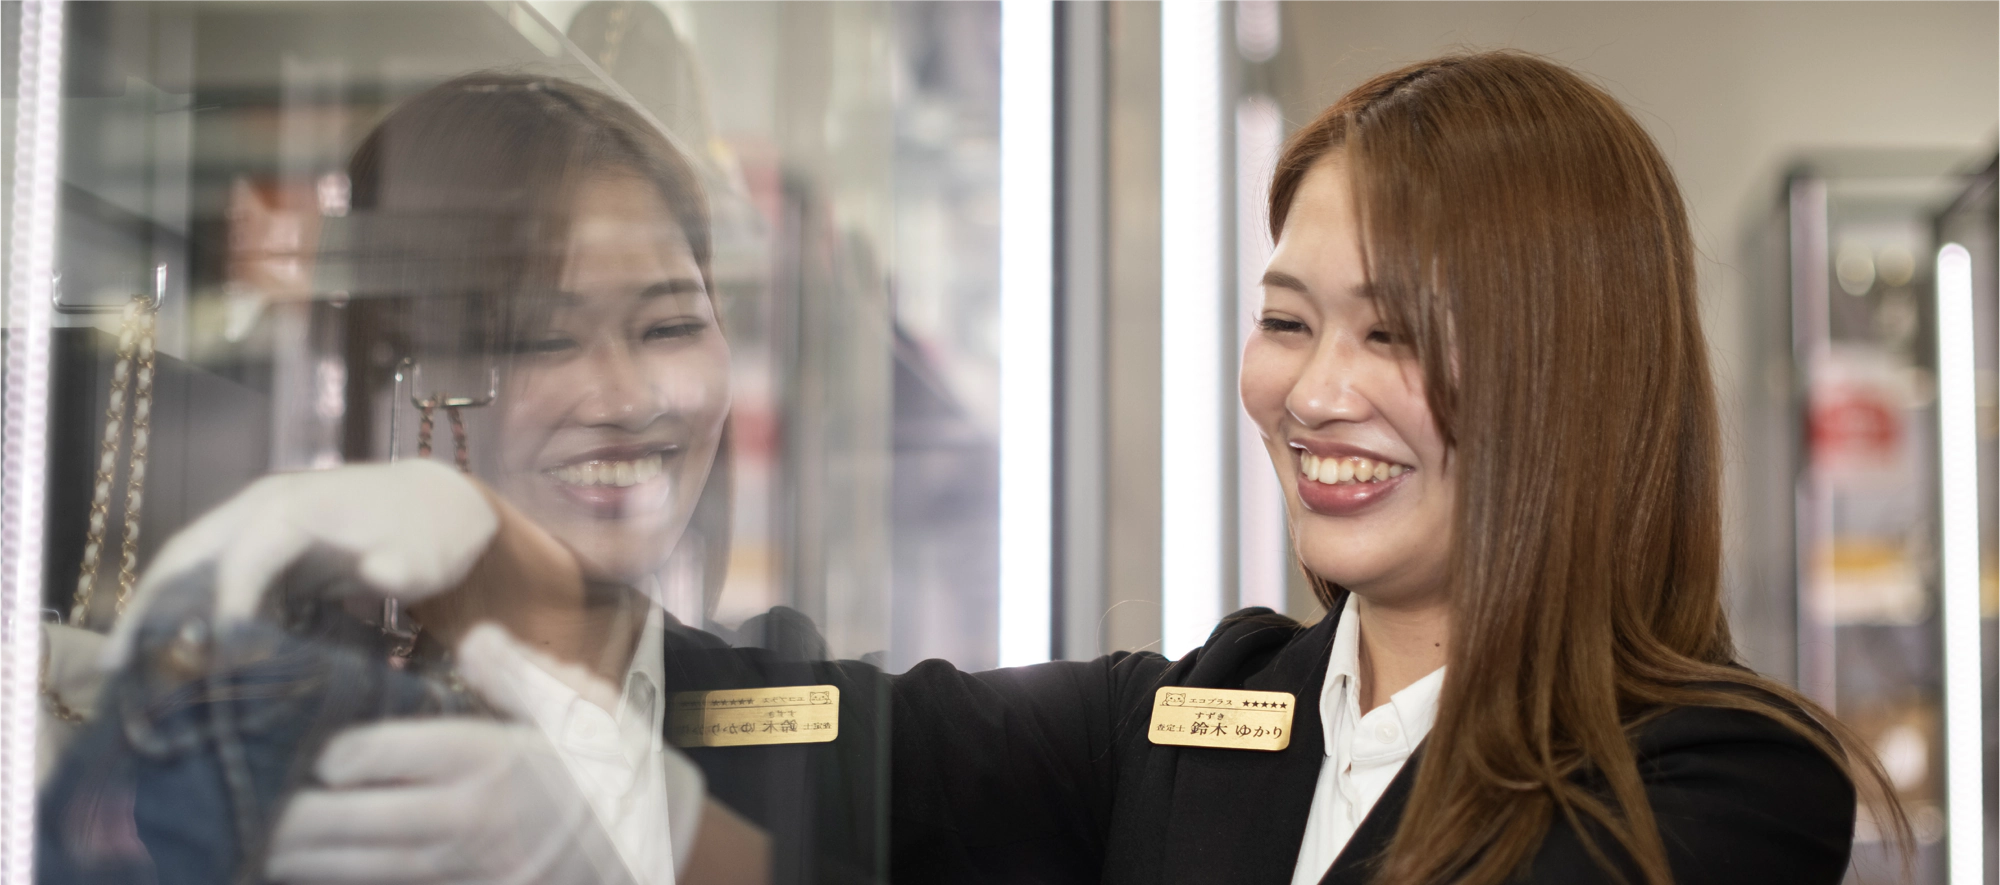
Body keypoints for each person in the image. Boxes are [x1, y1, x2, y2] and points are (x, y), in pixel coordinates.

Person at [102, 51, 1902, 885]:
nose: (1317, 393)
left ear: (1574, 370)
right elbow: (813, 731)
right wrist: (454, 582)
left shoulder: (1717, 780)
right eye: (1286, 320)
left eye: (1398, 333)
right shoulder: (1221, 712)